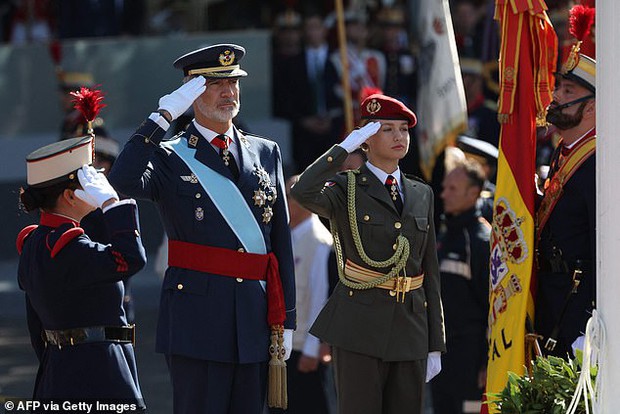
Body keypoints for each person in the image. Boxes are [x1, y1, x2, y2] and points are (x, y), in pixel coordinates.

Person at [108, 43, 296, 414]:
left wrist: (286, 319)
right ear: (191, 93)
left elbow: (280, 242)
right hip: (197, 322)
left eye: (234, 82)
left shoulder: (265, 152)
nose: (229, 92)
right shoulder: (168, 153)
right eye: (215, 84)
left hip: (254, 319)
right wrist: (161, 118)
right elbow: (123, 180)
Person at [291, 93, 445, 414]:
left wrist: (434, 343)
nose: (399, 136)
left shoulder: (422, 193)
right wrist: (342, 150)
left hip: (410, 328)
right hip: (359, 326)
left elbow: (429, 271)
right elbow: (303, 191)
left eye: (403, 129)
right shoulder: (346, 188)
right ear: (366, 138)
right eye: (386, 129)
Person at [16, 136, 146, 410]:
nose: (98, 183)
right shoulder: (68, 246)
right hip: (99, 374)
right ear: (70, 196)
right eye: (88, 181)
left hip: (58, 371)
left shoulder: (34, 242)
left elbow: (36, 327)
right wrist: (112, 204)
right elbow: (131, 258)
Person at [535, 52, 596, 358]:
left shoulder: (600, 164)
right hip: (552, 300)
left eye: (569, 91)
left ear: (593, 107)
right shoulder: (561, 153)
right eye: (559, 88)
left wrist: (591, 325)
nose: (556, 96)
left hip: (578, 313)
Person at [431, 160, 490, 414]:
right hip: (442, 360)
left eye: (452, 188)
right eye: (444, 187)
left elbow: (494, 309)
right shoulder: (444, 235)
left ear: (473, 192)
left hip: (471, 361)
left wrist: (489, 363)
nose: (444, 194)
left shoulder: (481, 241)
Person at [270, 175, 332, 414]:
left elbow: (320, 298)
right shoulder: (285, 236)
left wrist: (312, 349)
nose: (283, 202)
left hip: (301, 350)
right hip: (280, 346)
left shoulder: (319, 241)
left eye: (289, 197)